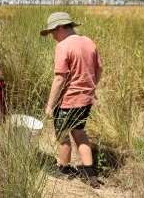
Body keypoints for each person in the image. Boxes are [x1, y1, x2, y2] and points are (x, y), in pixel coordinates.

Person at [40, 12, 103, 189]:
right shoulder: (88, 41)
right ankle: (90, 172)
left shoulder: (63, 46)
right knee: (79, 132)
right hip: (86, 98)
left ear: (60, 28)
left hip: (68, 99)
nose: (52, 36)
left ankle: (64, 169)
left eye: (52, 31)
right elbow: (99, 68)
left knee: (62, 133)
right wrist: (91, 87)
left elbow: (60, 78)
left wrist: (49, 105)